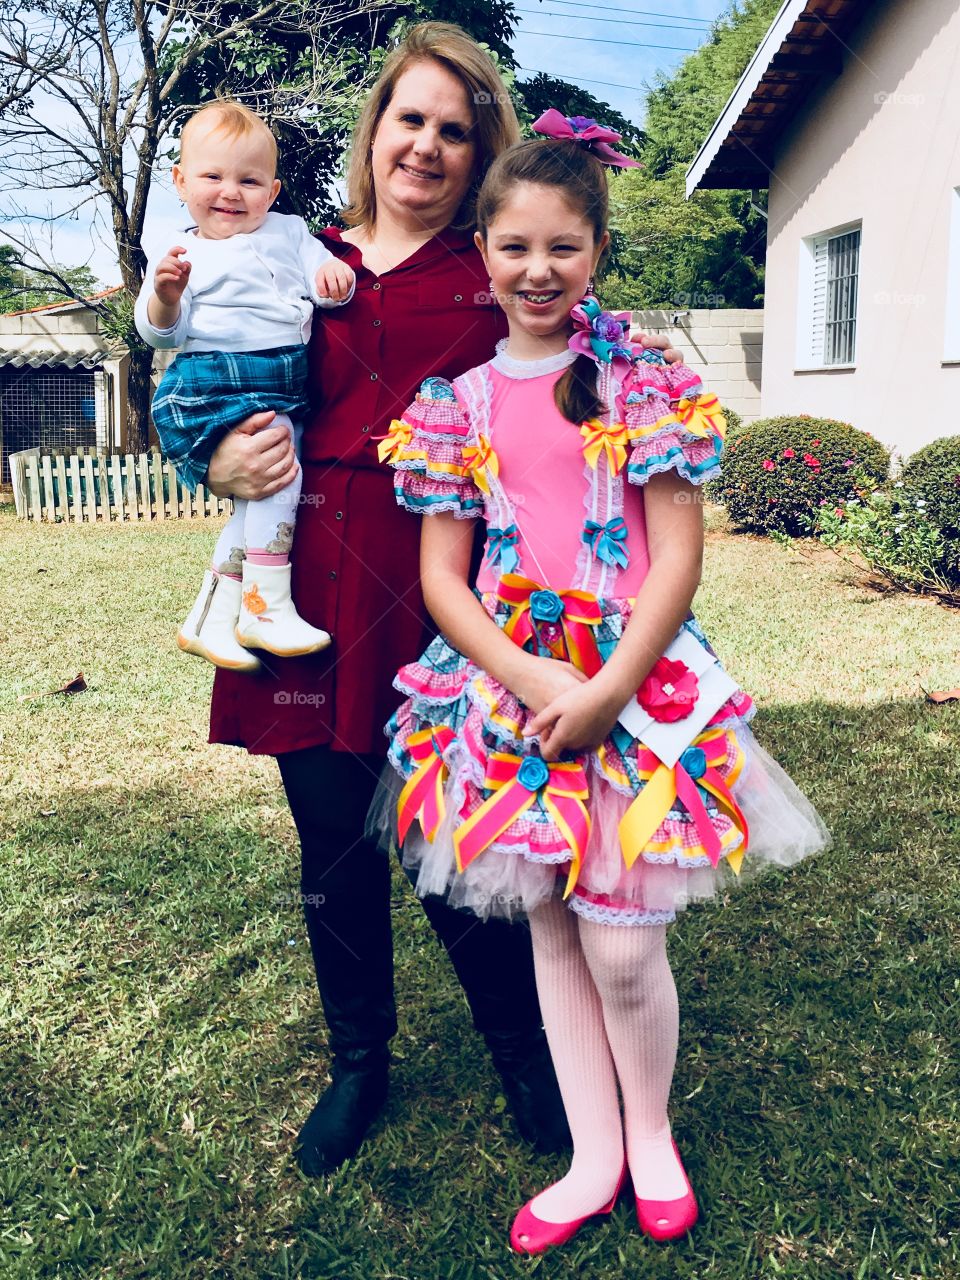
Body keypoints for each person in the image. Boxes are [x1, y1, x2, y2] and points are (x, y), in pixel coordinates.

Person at [203, 24, 680, 1177]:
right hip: (304, 582)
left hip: (446, 592)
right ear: (375, 131)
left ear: (481, 156)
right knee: (332, 840)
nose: (424, 145)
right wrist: (210, 460)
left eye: (453, 130)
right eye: (408, 119)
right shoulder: (284, 255)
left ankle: (523, 1047)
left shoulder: (491, 273)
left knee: (458, 839)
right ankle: (359, 1058)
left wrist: (649, 356)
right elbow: (205, 370)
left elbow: (582, 345)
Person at [372, 122, 830, 1253]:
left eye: (563, 248)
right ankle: (592, 1151)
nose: (537, 270)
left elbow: (675, 554)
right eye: (515, 245)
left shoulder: (646, 382)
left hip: (636, 688)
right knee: (550, 927)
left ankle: (653, 1131)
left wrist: (608, 687)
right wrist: (530, 676)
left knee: (623, 942)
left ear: (597, 250)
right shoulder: (458, 402)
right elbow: (442, 574)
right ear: (482, 248)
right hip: (508, 692)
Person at [135, 101, 355, 671]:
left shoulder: (291, 233)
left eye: (250, 180)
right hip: (218, 382)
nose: (231, 192)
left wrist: (335, 281)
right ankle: (264, 605)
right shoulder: (182, 254)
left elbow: (324, 282)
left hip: (282, 380)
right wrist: (165, 295)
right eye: (212, 176)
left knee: (257, 497)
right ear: (181, 182)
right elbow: (163, 335)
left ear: (274, 189)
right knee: (281, 475)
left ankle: (210, 616)